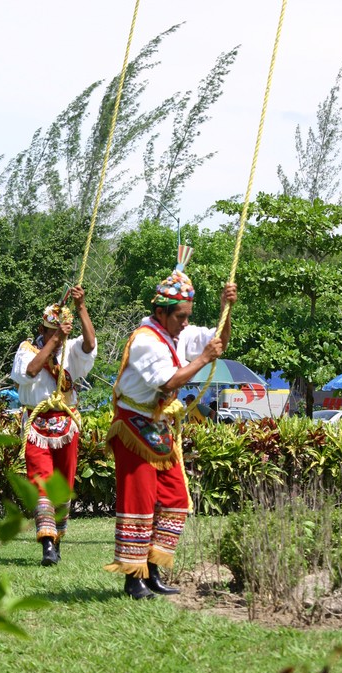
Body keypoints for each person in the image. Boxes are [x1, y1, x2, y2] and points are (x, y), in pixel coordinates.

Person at [104, 249, 237, 599]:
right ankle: (133, 577)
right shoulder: (146, 341)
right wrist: (204, 359)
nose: (185, 323)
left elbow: (219, 341)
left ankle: (153, 570)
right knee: (139, 500)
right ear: (161, 312)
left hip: (159, 424)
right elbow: (168, 383)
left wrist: (227, 309)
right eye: (180, 316)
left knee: (174, 497)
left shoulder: (177, 333)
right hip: (133, 424)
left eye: (188, 316)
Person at [11, 286, 97, 566]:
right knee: (41, 482)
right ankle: (47, 543)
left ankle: (57, 538)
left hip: (66, 425)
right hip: (37, 425)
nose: (58, 339)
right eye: (51, 332)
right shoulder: (26, 350)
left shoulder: (69, 349)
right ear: (42, 330)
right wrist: (56, 339)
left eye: (60, 334)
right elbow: (31, 370)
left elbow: (90, 345)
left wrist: (81, 307)